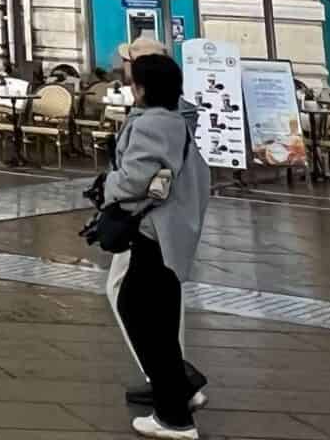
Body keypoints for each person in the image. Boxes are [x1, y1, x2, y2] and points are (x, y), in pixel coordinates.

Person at [97, 49, 212, 439]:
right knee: (152, 315)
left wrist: (107, 186)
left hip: (155, 231)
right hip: (171, 231)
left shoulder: (153, 125)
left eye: (134, 82)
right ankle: (180, 392)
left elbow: (134, 179)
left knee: (143, 315)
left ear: (143, 88)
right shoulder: (177, 120)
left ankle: (174, 417)